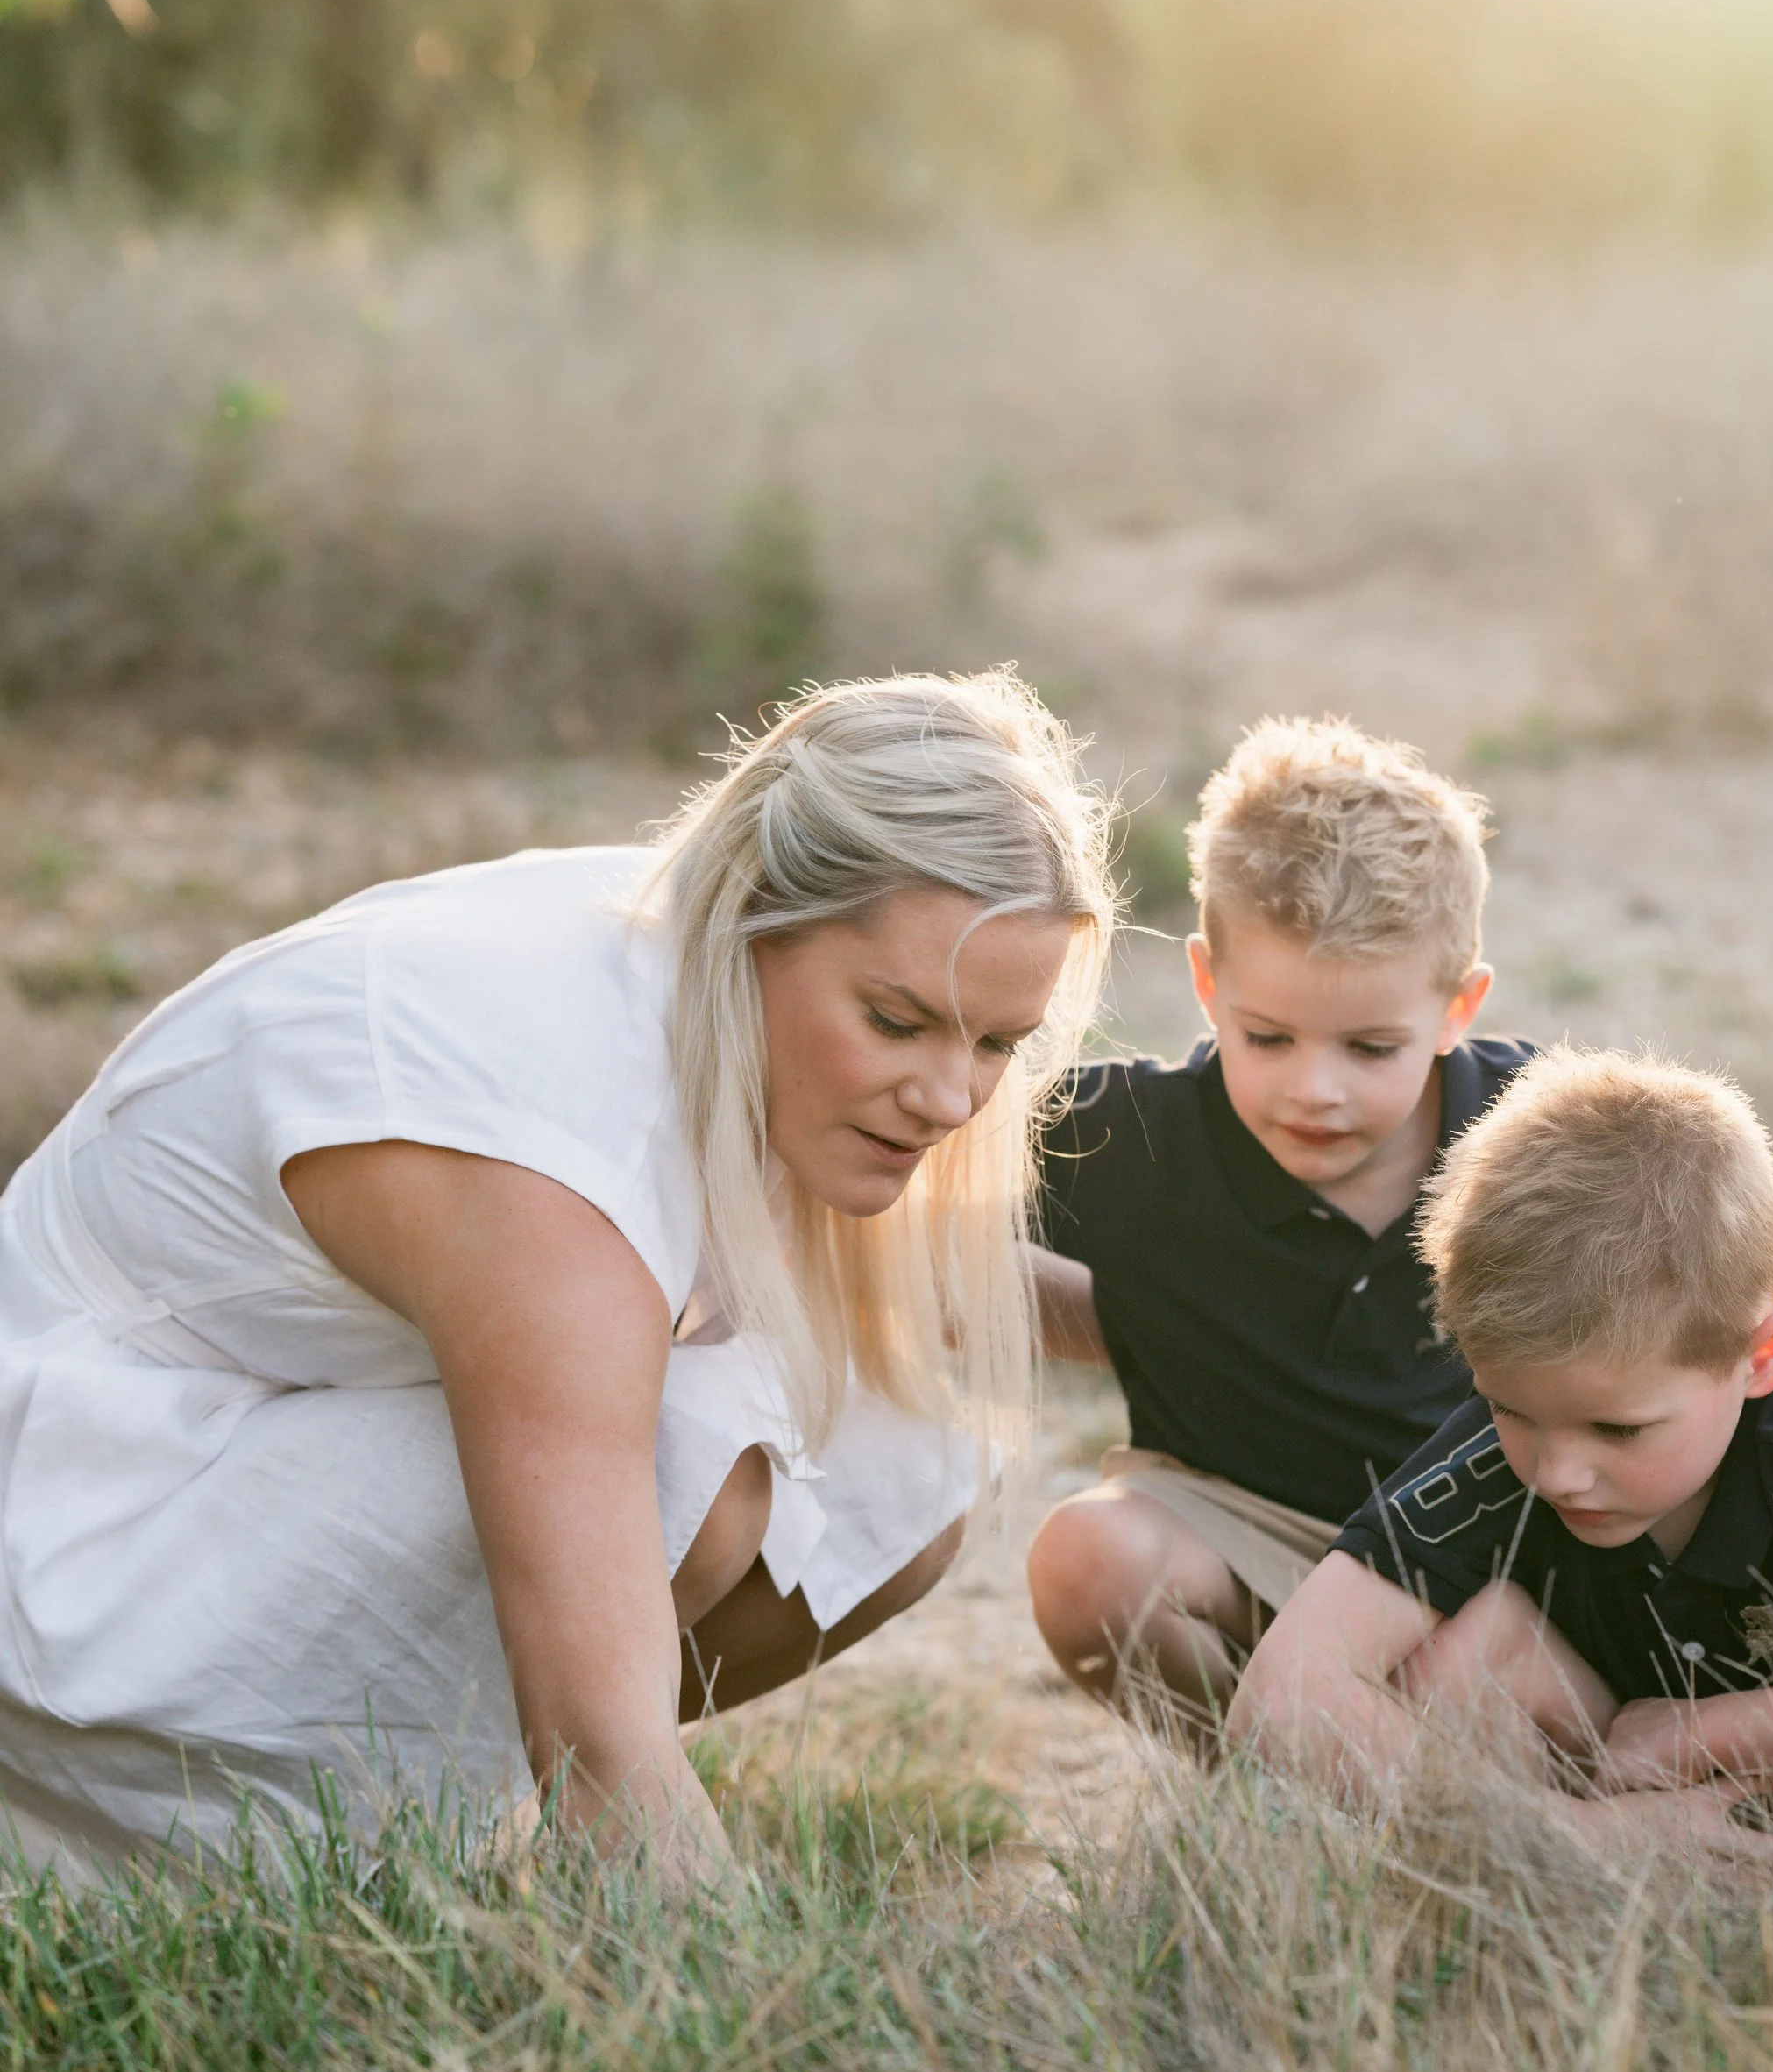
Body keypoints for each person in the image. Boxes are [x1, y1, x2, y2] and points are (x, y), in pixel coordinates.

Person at [0, 671, 1114, 1894]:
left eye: (997, 1043)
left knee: (894, 1465)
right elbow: (604, 1752)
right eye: (899, 1023)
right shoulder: (547, 1149)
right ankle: (230, 1860)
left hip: (225, 1452)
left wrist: (1185, 1334)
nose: (955, 1099)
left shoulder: (687, 947)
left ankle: (410, 1825)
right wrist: (765, 2034)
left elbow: (921, 1271)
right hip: (67, 1531)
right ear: (762, 917)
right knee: (698, 1470)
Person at [1230, 1047, 1773, 1868]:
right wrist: (1573, 1834)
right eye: (1509, 1410)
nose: (1556, 1470)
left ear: (1763, 1356)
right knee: (1467, 1650)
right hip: (1634, 1815)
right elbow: (1280, 1695)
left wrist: (1687, 1734)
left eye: (1618, 1431)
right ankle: (1598, 1939)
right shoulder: (1517, 1436)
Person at [1025, 714, 1529, 1725]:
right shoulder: (1126, 1135)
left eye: (1371, 1048)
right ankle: (1268, 1791)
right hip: (1242, 1536)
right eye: (1268, 1036)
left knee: (1481, 1688)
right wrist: (1136, 1322)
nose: (1315, 1090)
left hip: (1476, 1559)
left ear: (1456, 1008)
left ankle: (1407, 1777)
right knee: (1088, 1561)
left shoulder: (1533, 1132)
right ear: (1207, 982)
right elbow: (905, 1212)